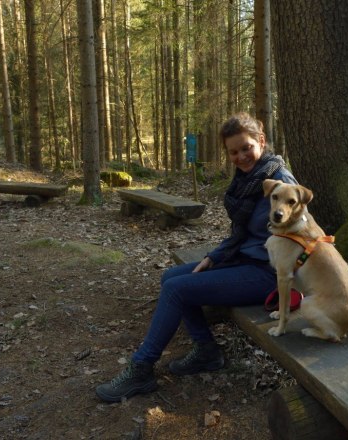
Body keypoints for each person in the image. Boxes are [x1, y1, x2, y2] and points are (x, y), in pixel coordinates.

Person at [95, 113, 297, 402]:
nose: (240, 156)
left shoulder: (280, 181)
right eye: (233, 152)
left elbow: (302, 234)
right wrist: (214, 258)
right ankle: (206, 350)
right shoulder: (248, 179)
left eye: (246, 148)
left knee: (177, 289)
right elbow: (241, 234)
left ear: (261, 142)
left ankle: (141, 368)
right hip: (245, 259)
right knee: (172, 277)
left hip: (269, 273)